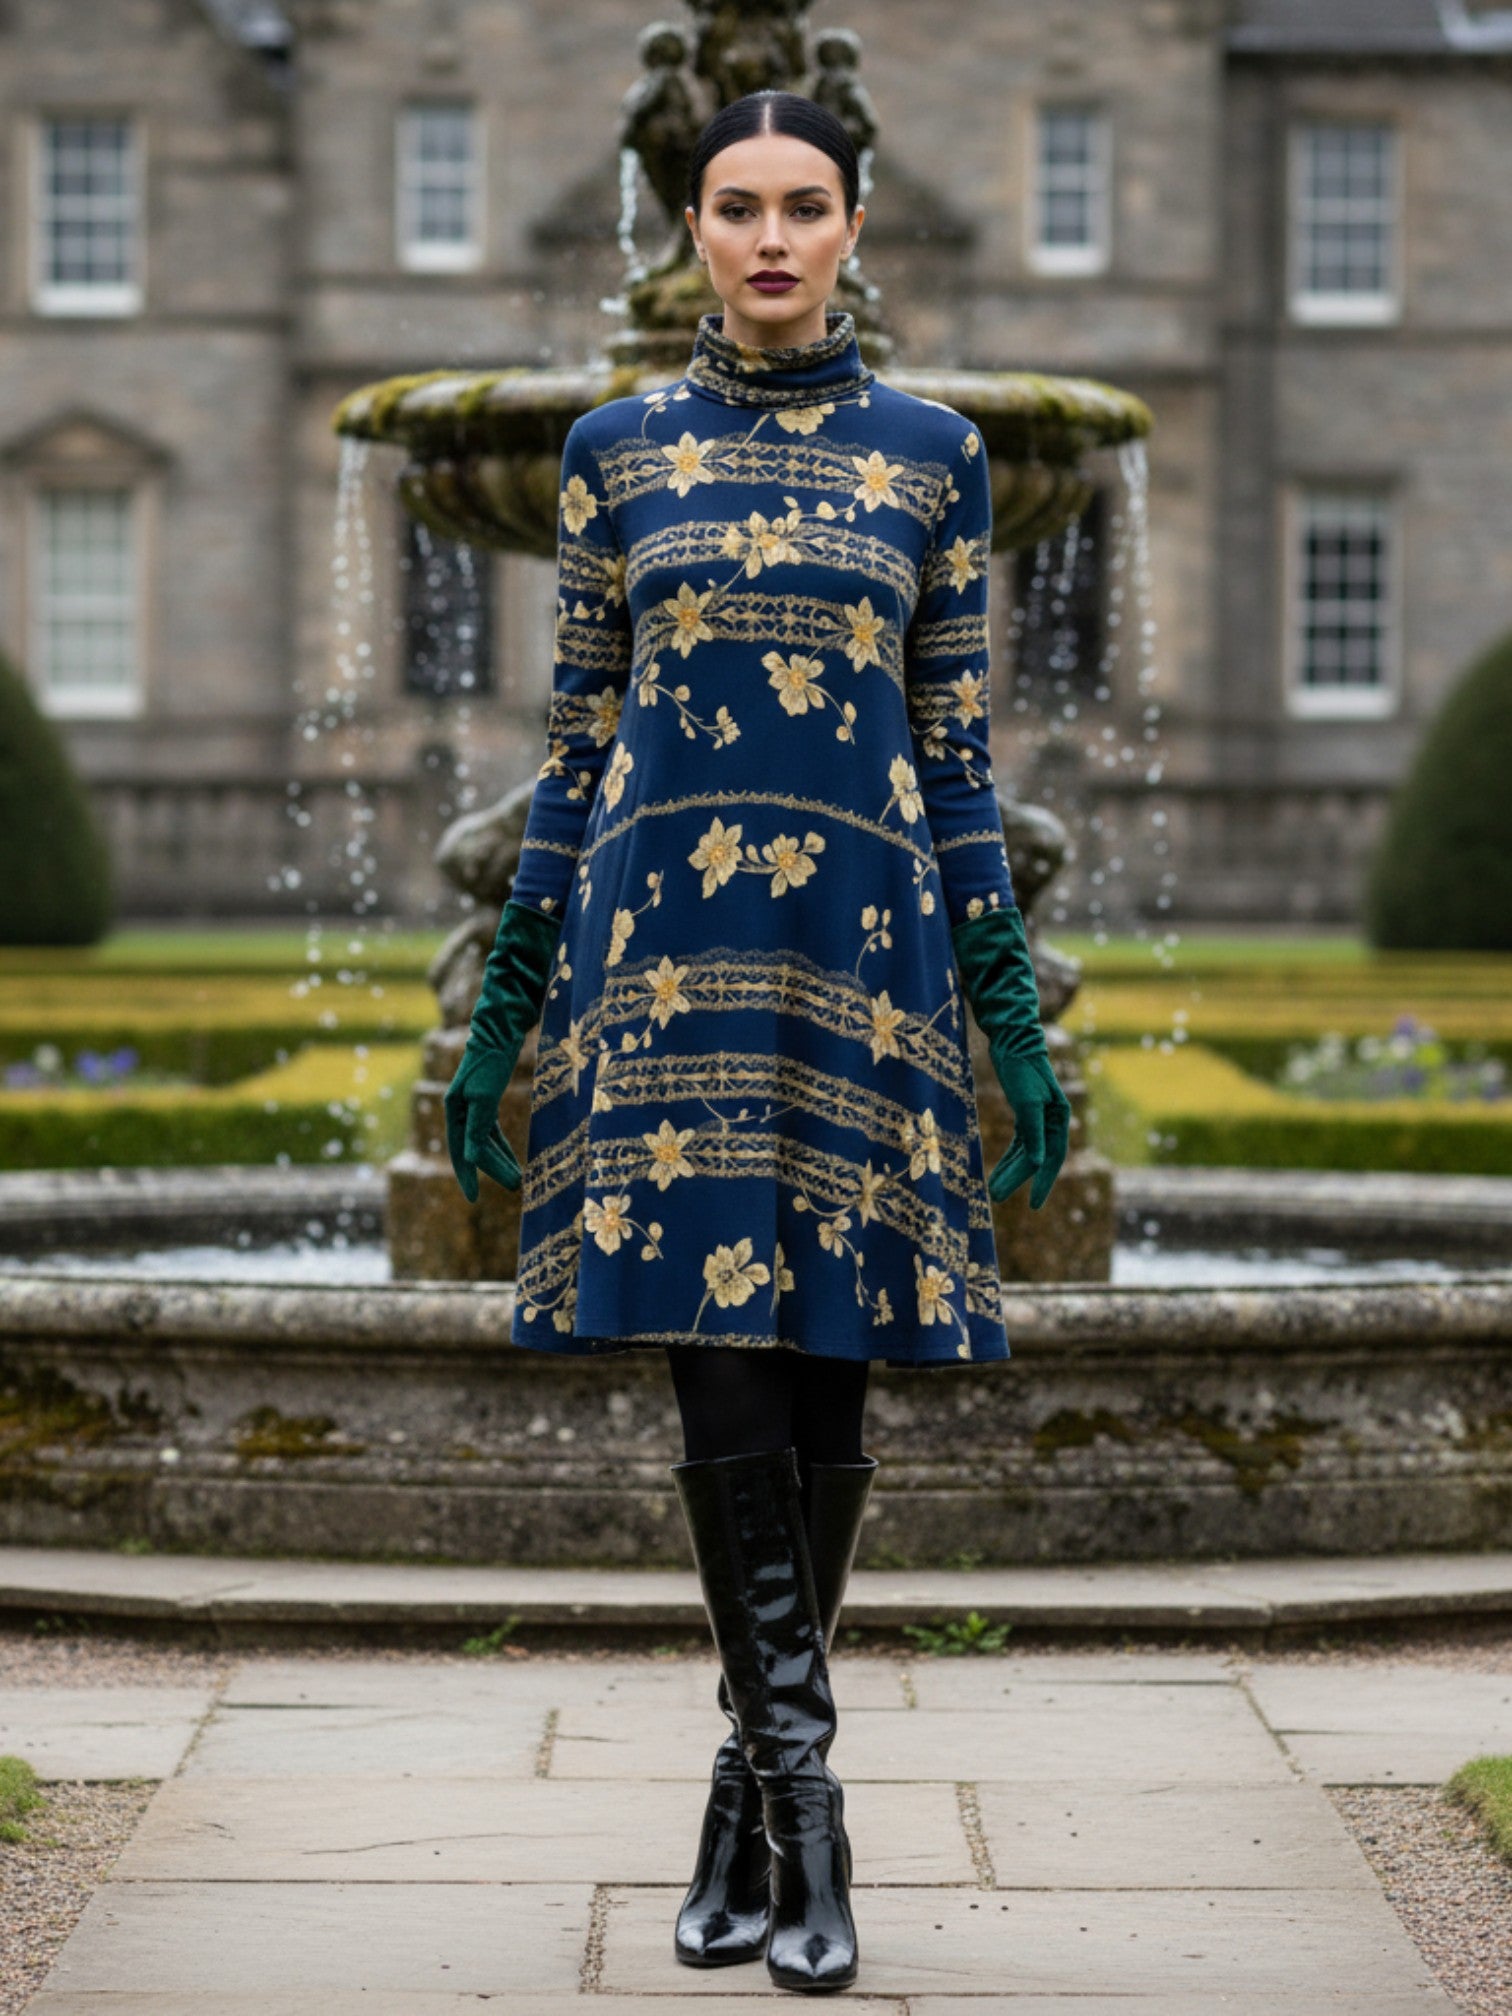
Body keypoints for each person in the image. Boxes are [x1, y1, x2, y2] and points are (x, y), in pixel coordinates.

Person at [444, 88, 1071, 1996]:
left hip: (865, 955)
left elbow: (957, 750)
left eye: (808, 205)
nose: (774, 237)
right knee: (722, 1373)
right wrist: (504, 1009)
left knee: (829, 1378)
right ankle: (811, 1812)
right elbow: (572, 744)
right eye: (739, 207)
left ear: (858, 221)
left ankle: (743, 1794)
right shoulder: (615, 452)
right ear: (690, 228)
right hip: (662, 951)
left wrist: (1012, 1015)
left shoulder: (936, 457)